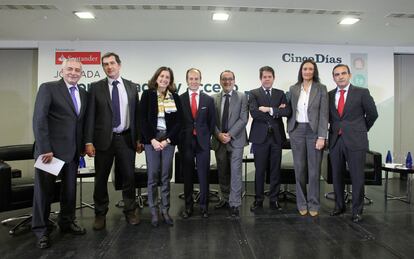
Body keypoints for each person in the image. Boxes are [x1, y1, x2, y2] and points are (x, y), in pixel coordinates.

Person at [32, 58, 87, 249]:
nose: (73, 72)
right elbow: (39, 120)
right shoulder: (48, 88)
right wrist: (45, 148)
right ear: (62, 71)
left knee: (69, 192)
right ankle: (41, 230)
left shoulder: (83, 93)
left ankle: (66, 222)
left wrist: (82, 147)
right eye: (70, 69)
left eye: (77, 70)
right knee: (44, 193)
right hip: (50, 153)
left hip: (72, 153)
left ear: (81, 73)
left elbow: (80, 122)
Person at [84, 52, 142, 230]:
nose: (109, 67)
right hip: (103, 140)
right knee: (101, 178)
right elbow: (90, 117)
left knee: (129, 177)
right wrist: (88, 141)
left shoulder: (132, 87)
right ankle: (100, 213)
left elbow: (136, 116)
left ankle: (130, 210)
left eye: (112, 63)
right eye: (105, 64)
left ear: (119, 65)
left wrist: (139, 138)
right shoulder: (95, 87)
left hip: (126, 138)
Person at [328, 64, 378, 223]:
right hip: (336, 140)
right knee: (336, 176)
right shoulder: (329, 95)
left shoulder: (362, 93)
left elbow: (372, 114)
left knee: (357, 177)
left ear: (349, 75)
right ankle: (339, 206)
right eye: (337, 74)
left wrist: (361, 129)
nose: (340, 76)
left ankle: (357, 210)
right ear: (333, 77)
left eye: (343, 73)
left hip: (356, 140)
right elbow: (329, 117)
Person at [140, 67, 182, 227]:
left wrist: (168, 140)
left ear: (170, 81)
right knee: (152, 176)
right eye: (162, 76)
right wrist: (152, 140)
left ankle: (165, 210)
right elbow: (142, 119)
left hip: (168, 140)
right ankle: (153, 211)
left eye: (167, 77)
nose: (164, 79)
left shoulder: (175, 97)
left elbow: (179, 122)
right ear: (156, 78)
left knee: (165, 176)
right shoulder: (147, 94)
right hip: (152, 140)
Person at [287, 60, 328, 217]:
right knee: (300, 169)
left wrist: (321, 136)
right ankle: (301, 203)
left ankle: (314, 203)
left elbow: (324, 114)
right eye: (305, 68)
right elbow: (289, 109)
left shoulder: (321, 88)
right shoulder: (294, 88)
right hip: (297, 130)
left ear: (314, 71)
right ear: (301, 71)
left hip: (314, 132)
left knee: (314, 171)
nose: (308, 71)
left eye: (311, 69)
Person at [249, 66, 291, 212]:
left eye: (269, 77)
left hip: (276, 138)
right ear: (261, 78)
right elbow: (254, 113)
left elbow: (287, 111)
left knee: (275, 170)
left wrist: (269, 109)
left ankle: (274, 199)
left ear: (274, 78)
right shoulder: (254, 93)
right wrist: (276, 110)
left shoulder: (280, 93)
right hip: (260, 138)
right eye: (264, 77)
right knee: (260, 170)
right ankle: (258, 200)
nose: (267, 79)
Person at [179, 68, 215, 219]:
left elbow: (212, 122)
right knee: (187, 176)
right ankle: (188, 207)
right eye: (191, 78)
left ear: (201, 80)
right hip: (186, 142)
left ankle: (204, 206)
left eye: (196, 78)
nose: (194, 81)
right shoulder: (179, 99)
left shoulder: (208, 100)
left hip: (203, 143)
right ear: (187, 80)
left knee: (203, 175)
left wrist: (207, 138)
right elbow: (177, 122)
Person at [211, 70, 248, 217]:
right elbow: (211, 121)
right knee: (223, 171)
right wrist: (219, 134)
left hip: (236, 140)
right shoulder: (214, 98)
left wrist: (230, 135)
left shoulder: (242, 97)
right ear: (220, 81)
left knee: (235, 172)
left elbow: (243, 118)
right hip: (219, 140)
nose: (227, 82)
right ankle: (225, 199)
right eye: (224, 79)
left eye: (230, 79)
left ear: (234, 81)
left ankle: (234, 203)